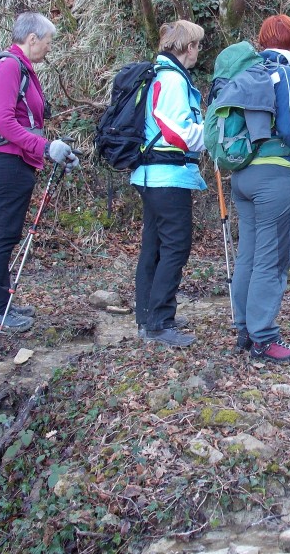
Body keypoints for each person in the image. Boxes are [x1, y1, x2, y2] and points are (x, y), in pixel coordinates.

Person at [230, 14, 290, 363]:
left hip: (242, 176)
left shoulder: (248, 72)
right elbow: (289, 128)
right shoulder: (284, 73)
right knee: (271, 260)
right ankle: (264, 340)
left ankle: (244, 329)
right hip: (275, 177)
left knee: (249, 256)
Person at [0, 12, 79, 333]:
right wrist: (46, 148)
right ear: (32, 38)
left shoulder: (23, 67)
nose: (49, 48)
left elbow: (26, 122)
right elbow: (4, 121)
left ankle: (2, 302)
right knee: (2, 234)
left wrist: (52, 149)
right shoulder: (10, 65)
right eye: (47, 42)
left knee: (7, 234)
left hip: (17, 162)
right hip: (7, 162)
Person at [131, 20, 207, 348]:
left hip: (151, 175)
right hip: (168, 176)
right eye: (198, 45)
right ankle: (160, 322)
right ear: (188, 47)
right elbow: (176, 132)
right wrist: (211, 134)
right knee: (175, 247)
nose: (199, 51)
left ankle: (149, 316)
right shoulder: (173, 80)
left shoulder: (158, 75)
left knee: (155, 246)